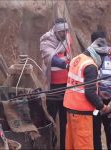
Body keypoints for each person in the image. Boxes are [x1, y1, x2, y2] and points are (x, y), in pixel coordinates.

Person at [63, 38, 110, 149]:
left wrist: (98, 93)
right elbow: (89, 93)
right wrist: (102, 107)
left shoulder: (77, 58)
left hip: (70, 110)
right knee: (83, 145)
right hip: (82, 114)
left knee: (71, 145)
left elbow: (79, 84)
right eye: (103, 57)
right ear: (98, 54)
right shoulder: (90, 66)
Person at [40, 18, 72, 149]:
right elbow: (51, 58)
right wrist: (66, 64)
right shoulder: (46, 40)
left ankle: (64, 146)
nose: (64, 34)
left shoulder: (67, 37)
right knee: (50, 118)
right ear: (55, 31)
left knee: (65, 120)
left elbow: (70, 54)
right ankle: (50, 145)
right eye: (61, 32)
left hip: (67, 85)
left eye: (66, 31)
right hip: (52, 87)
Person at [91, 31, 111, 150]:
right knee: (96, 130)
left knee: (109, 129)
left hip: (109, 102)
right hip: (95, 102)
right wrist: (99, 92)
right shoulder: (91, 57)